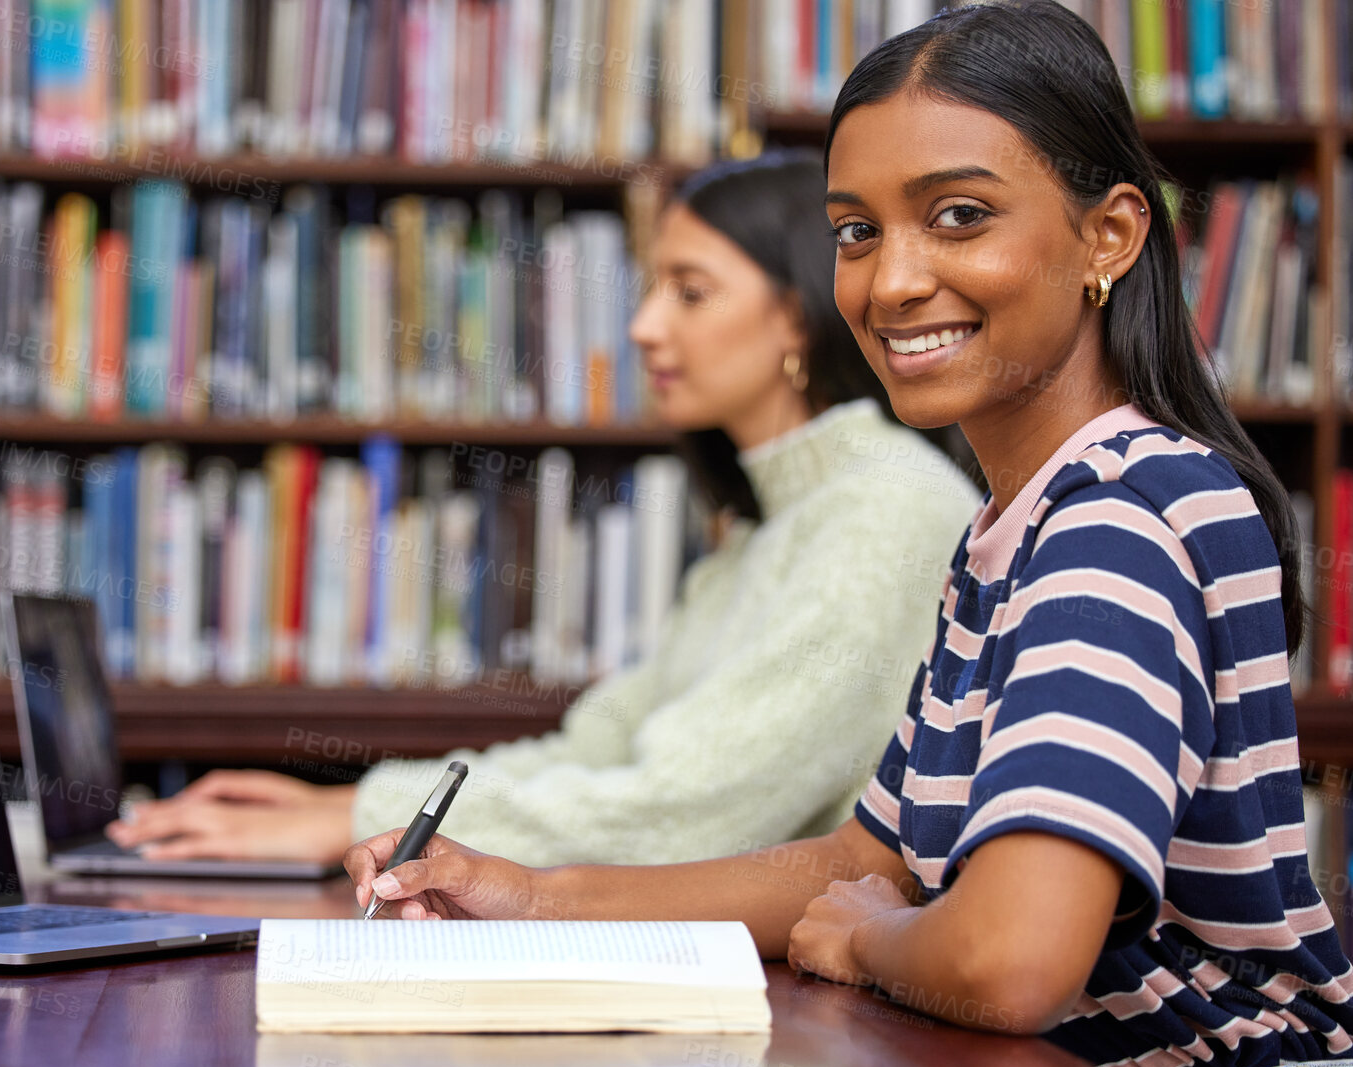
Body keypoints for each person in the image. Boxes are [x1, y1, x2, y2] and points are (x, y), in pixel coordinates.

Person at [342, 0, 1353, 1067]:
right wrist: (530, 895)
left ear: (1109, 236)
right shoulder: (1015, 529)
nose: (890, 283)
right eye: (856, 231)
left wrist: (876, 946)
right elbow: (858, 865)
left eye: (959, 216)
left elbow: (1009, 956)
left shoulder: (1119, 517)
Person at [106, 154, 980, 868]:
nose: (641, 327)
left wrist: (358, 830)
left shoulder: (881, 514)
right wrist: (357, 803)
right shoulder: (766, 530)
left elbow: (683, 812)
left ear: (795, 315)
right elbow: (598, 748)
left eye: (689, 290)